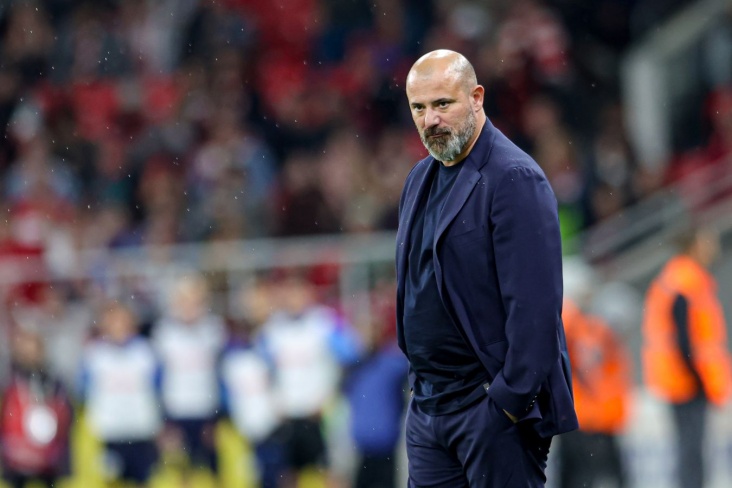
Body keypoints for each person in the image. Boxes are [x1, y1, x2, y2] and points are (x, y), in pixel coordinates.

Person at [395, 49, 578, 487]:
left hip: (489, 413)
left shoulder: (514, 177)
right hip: (430, 409)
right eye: (419, 108)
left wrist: (507, 404)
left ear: (476, 97)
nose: (430, 120)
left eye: (443, 104)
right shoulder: (418, 179)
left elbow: (536, 309)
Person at [642, 225, 732, 488]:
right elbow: (685, 340)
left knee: (689, 449)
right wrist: (700, 379)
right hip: (687, 381)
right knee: (691, 451)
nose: (712, 248)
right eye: (707, 242)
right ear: (694, 246)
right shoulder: (686, 282)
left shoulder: (678, 279)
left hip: (682, 378)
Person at [79, 300, 163, 487]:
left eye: (123, 321)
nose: (119, 326)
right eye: (113, 321)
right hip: (110, 431)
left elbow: (158, 388)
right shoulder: (94, 354)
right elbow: (83, 390)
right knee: (111, 481)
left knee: (143, 480)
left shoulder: (146, 352)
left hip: (141, 428)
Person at [0, 324, 73, 488]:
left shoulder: (53, 380)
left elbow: (65, 414)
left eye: (33, 347)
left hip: (47, 456)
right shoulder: (8, 379)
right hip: (16, 454)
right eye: (24, 348)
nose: (29, 353)